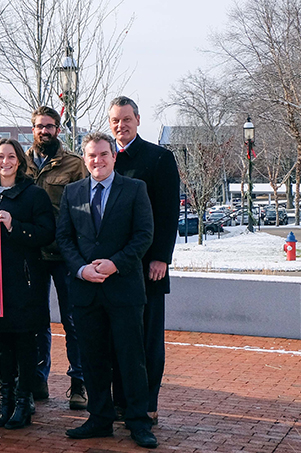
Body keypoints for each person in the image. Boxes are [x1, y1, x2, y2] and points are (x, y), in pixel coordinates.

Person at [56, 132, 158, 449]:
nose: (97, 160)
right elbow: (65, 239)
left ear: (114, 157)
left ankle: (138, 421)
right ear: (84, 159)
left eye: (103, 154)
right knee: (94, 359)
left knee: (131, 359)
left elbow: (144, 236)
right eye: (91, 156)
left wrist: (115, 263)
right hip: (86, 292)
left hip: (124, 289)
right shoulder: (72, 193)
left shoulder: (134, 189)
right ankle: (99, 419)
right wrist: (81, 269)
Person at [0, 138, 55, 429]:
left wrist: (14, 226)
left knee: (24, 343)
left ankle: (23, 401)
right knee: (2, 344)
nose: (5, 162)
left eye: (11, 157)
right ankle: (5, 401)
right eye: (0, 157)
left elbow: (46, 233)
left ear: (20, 161)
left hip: (25, 282)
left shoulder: (34, 195)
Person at [109, 96, 180, 425]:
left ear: (138, 120)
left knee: (148, 338)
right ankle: (121, 400)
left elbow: (168, 215)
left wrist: (161, 258)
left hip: (148, 266)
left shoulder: (159, 158)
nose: (120, 126)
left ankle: (148, 401)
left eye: (126, 119)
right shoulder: (105, 159)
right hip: (114, 268)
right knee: (118, 338)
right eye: (115, 121)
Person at [26, 106, 88, 409]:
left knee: (73, 321)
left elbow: (86, 210)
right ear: (32, 129)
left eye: (49, 126)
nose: (44, 131)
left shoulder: (75, 165)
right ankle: (39, 378)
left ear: (58, 129)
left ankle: (79, 383)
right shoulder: (18, 162)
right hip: (31, 255)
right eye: (39, 126)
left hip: (65, 255)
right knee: (36, 320)